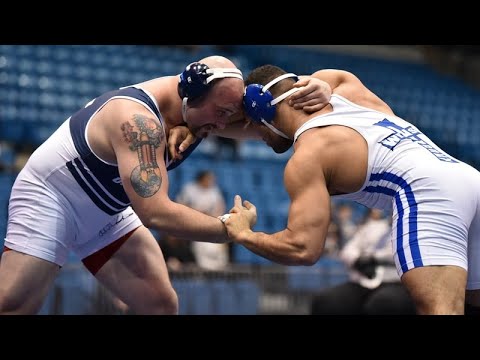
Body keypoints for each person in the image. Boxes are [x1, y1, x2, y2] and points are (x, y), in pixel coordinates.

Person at [0, 56, 331, 314]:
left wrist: (318, 88)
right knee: (14, 305)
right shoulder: (137, 121)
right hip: (53, 198)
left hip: (106, 212)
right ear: (190, 96)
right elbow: (156, 214)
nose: (223, 125)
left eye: (228, 114)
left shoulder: (198, 111)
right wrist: (231, 229)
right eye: (220, 113)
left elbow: (277, 135)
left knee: (160, 304)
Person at [206, 64, 480, 315]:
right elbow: (327, 78)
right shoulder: (347, 89)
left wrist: (244, 234)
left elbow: (302, 249)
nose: (254, 133)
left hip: (426, 192)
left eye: (251, 123)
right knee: (473, 299)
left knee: (440, 309)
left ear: (263, 112)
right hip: (468, 179)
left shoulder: (309, 155)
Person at [311, 209, 416, 315]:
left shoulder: (414, 228)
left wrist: (374, 258)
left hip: (396, 282)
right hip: (362, 281)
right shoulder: (372, 226)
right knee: (328, 301)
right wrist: (357, 260)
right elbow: (348, 250)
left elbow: (407, 254)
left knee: (384, 304)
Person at [175, 170, 230, 270]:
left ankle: (221, 266)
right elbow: (179, 205)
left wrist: (213, 217)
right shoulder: (189, 189)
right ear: (202, 178)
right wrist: (197, 212)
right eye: (209, 179)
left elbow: (220, 208)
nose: (211, 181)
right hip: (190, 220)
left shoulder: (214, 191)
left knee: (228, 233)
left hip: (210, 221)